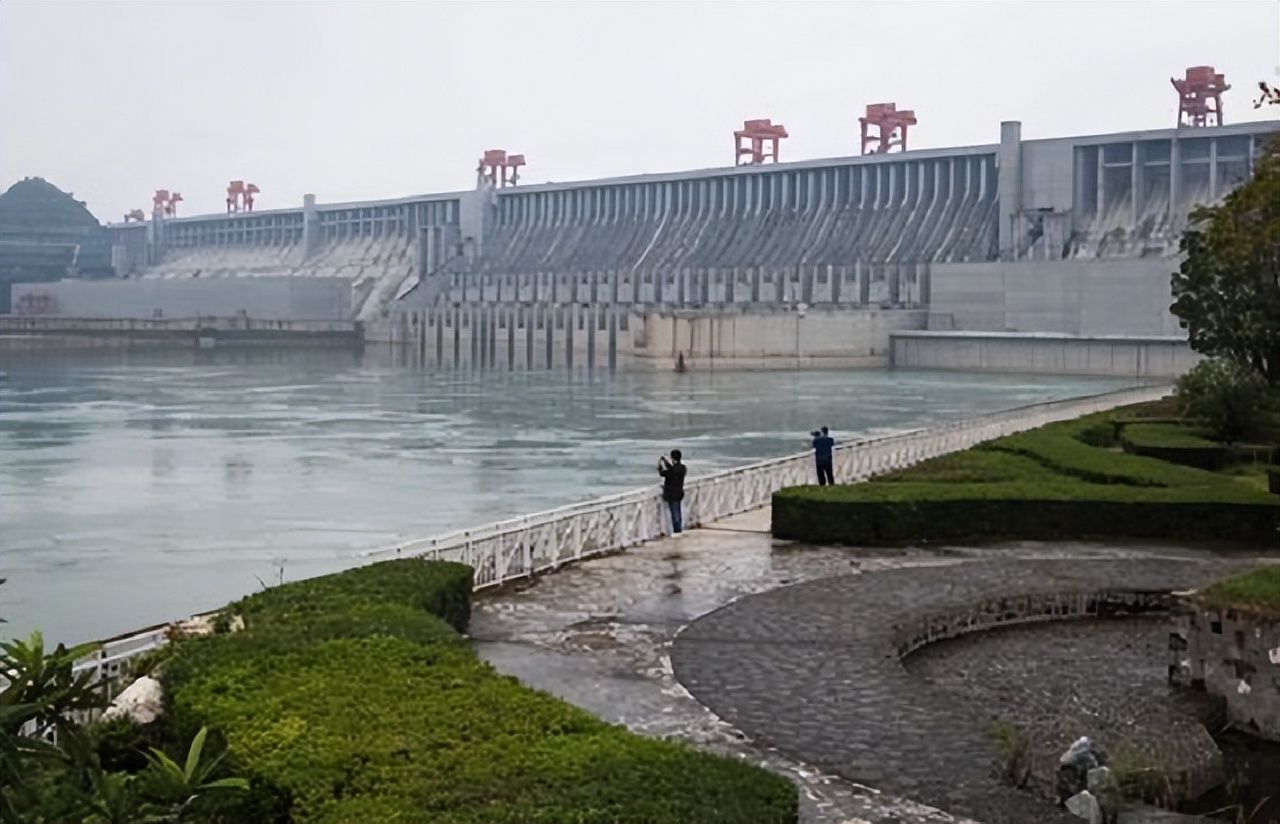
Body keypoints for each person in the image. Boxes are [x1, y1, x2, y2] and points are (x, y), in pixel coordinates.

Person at [657, 449, 687, 534]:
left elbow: (662, 473)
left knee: (674, 514)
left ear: (673, 458)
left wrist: (660, 463)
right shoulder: (683, 468)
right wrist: (665, 460)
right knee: (678, 512)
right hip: (679, 493)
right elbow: (671, 467)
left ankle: (676, 530)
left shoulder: (672, 470)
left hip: (671, 494)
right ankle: (678, 529)